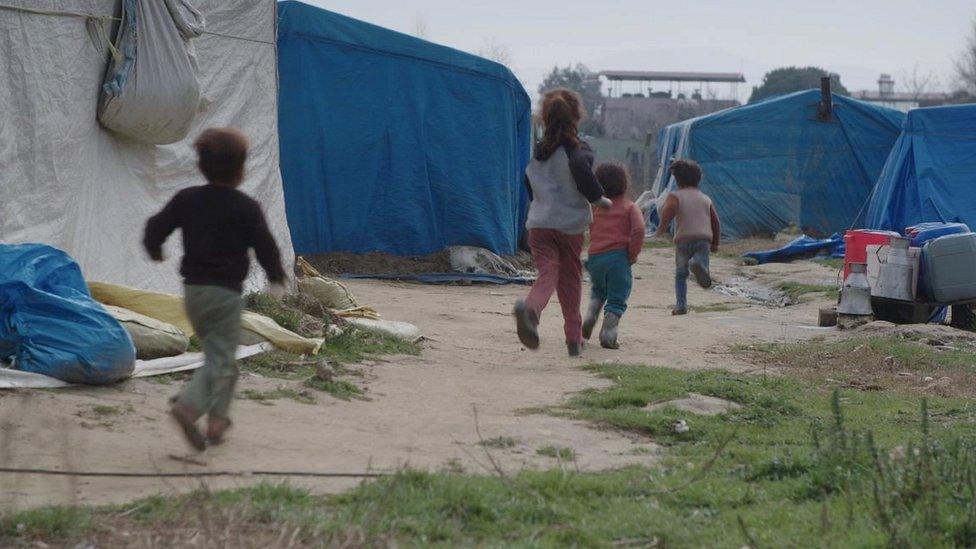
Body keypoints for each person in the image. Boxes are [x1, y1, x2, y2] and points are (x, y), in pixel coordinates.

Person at [143, 127, 286, 451]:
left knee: (222, 359)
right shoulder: (247, 207)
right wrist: (276, 279)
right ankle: (189, 407)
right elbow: (266, 247)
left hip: (193, 294)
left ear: (201, 166)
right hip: (225, 297)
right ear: (241, 169)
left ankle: (218, 421)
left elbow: (155, 226)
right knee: (219, 359)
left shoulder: (187, 199)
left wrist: (155, 249)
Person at [513, 88, 612, 356]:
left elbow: (528, 181)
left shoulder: (539, 152)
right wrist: (598, 198)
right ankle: (573, 337)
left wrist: (541, 202)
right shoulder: (579, 150)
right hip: (568, 226)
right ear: (577, 117)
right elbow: (581, 169)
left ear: (545, 119)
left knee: (548, 272)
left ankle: (532, 309)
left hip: (539, 225)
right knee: (570, 279)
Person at [582, 163, 646, 349]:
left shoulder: (596, 208)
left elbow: (591, 228)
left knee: (599, 291)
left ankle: (591, 316)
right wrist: (632, 253)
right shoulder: (630, 207)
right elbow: (639, 230)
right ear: (624, 184)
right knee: (618, 294)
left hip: (595, 257)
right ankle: (608, 333)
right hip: (618, 258)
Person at [655, 159, 721, 315]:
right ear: (698, 179)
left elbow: (668, 211)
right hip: (703, 239)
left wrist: (661, 229)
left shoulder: (675, 196)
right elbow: (715, 222)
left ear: (677, 179)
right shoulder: (706, 198)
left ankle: (681, 305)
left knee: (680, 274)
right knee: (701, 260)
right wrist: (715, 243)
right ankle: (699, 264)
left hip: (683, 239)